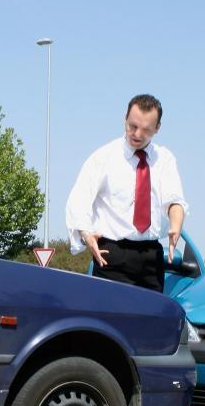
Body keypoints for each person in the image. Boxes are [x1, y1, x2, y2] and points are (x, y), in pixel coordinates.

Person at [65, 94, 188, 292]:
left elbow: (175, 200)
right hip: (111, 255)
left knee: (149, 320)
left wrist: (175, 224)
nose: (137, 134)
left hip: (151, 257)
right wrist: (86, 234)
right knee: (110, 321)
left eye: (146, 130)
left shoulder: (165, 159)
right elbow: (79, 200)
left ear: (157, 128)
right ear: (125, 118)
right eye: (132, 126)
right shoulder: (103, 157)